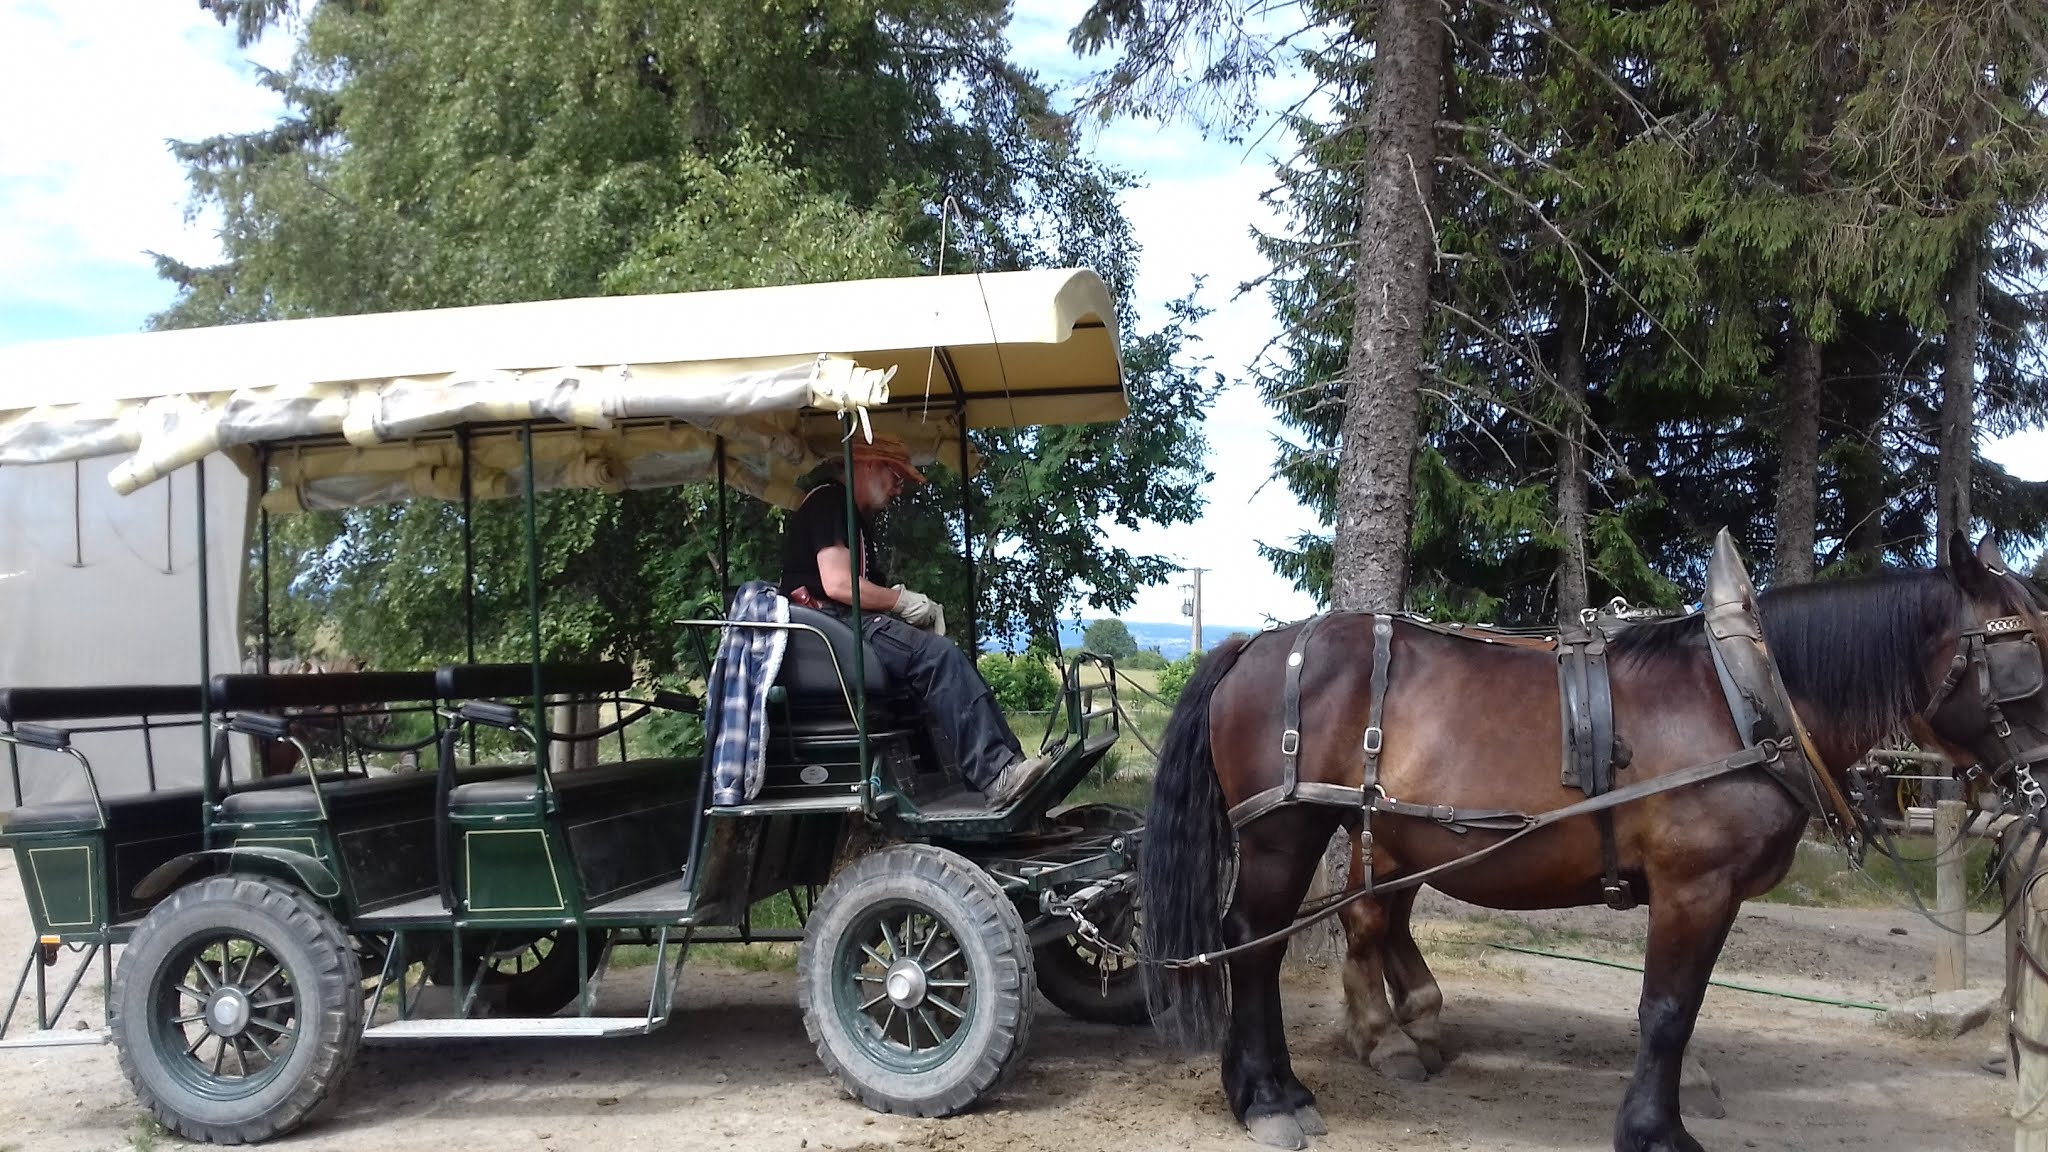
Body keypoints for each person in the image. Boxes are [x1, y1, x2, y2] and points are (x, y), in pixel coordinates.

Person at [778, 432, 1054, 808]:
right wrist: (902, 601)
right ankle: (996, 774)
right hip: (830, 628)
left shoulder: (849, 514)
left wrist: (904, 609)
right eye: (896, 475)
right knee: (939, 657)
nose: (899, 488)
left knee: (936, 657)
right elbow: (839, 584)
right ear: (868, 463)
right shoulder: (829, 502)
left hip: (842, 625)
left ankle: (1008, 766)